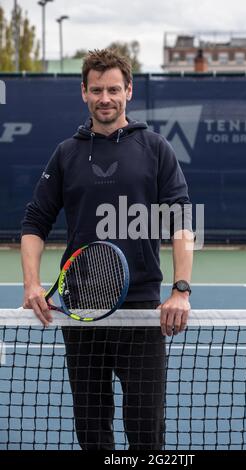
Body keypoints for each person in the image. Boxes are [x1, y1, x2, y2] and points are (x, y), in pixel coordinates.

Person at [21, 49, 194, 450]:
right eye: (96, 89)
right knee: (93, 433)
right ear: (83, 92)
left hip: (142, 313)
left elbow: (182, 223)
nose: (105, 98)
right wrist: (32, 284)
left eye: (113, 89)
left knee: (146, 434)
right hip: (82, 312)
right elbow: (34, 223)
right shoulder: (66, 154)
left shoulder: (155, 149)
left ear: (128, 91)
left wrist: (181, 290)